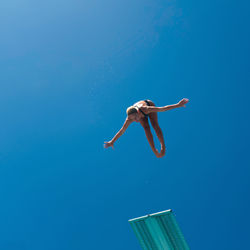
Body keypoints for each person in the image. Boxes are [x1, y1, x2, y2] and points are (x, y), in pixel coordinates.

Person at [104, 98, 189, 158]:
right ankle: (154, 150)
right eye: (133, 119)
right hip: (136, 111)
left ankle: (163, 146)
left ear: (138, 112)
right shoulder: (129, 119)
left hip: (148, 103)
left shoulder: (146, 109)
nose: (136, 120)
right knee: (146, 128)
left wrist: (178, 105)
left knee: (155, 125)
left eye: (136, 117)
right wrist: (112, 141)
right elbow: (121, 131)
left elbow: (163, 109)